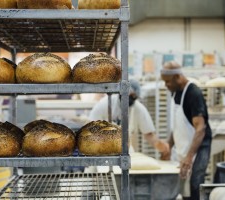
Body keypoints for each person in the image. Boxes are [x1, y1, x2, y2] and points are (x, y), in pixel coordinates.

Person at [161, 61, 212, 200]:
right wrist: (169, 146)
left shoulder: (193, 93)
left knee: (195, 184)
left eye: (168, 82)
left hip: (199, 147)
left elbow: (200, 129)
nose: (166, 86)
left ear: (178, 76)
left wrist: (189, 157)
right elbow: (177, 125)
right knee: (184, 186)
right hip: (184, 146)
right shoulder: (176, 93)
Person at [89, 79, 169, 155]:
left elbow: (149, 134)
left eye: (134, 97)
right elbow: (91, 126)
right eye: (129, 95)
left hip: (126, 151)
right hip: (103, 149)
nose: (130, 99)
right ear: (122, 92)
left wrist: (161, 146)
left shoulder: (138, 109)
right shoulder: (106, 103)